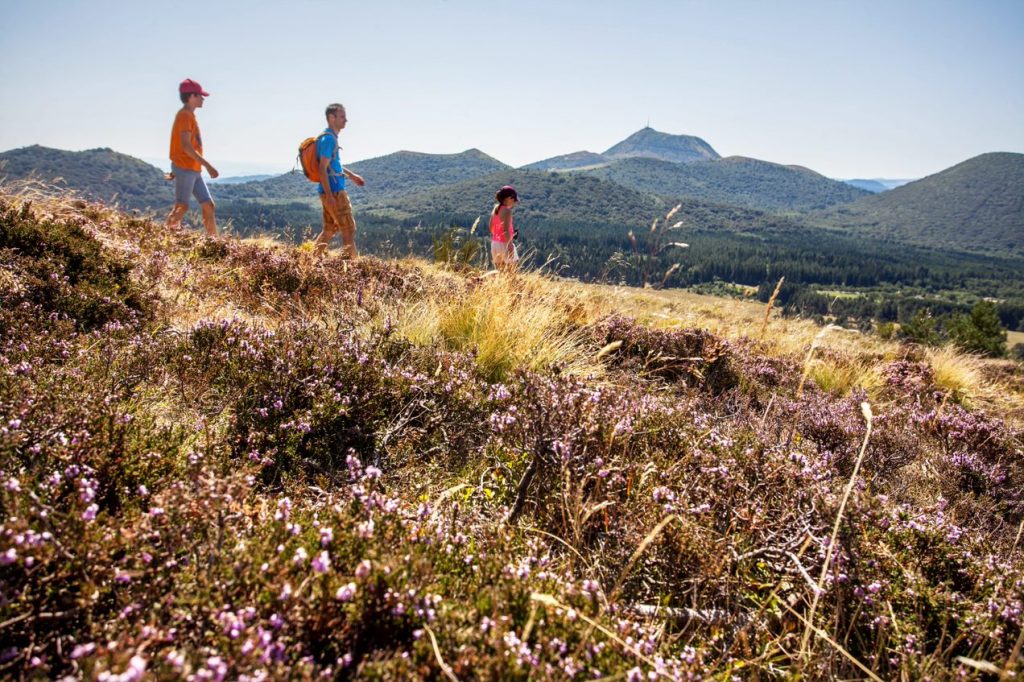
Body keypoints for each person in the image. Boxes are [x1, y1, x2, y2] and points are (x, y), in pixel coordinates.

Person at [166, 78, 219, 236]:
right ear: (191, 96)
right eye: (200, 96)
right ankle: (164, 237)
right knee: (182, 206)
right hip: (186, 167)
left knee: (208, 205)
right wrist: (208, 165)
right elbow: (186, 146)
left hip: (192, 169)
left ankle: (214, 242)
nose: (203, 99)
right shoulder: (185, 116)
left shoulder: (189, 116)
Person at [313, 103, 365, 258]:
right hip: (335, 192)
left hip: (329, 191)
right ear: (331, 117)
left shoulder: (326, 137)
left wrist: (352, 176)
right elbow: (323, 168)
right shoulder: (329, 140)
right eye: (342, 116)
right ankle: (352, 268)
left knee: (330, 228)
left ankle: (311, 260)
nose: (346, 120)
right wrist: (330, 196)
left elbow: (332, 166)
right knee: (348, 229)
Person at [490, 185, 519, 271]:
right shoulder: (507, 211)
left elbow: (491, 228)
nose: (514, 202)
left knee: (500, 272)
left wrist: (498, 235)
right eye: (514, 200)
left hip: (495, 243)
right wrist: (510, 246)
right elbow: (505, 231)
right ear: (509, 198)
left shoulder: (495, 209)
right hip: (505, 244)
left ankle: (479, 279)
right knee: (511, 272)